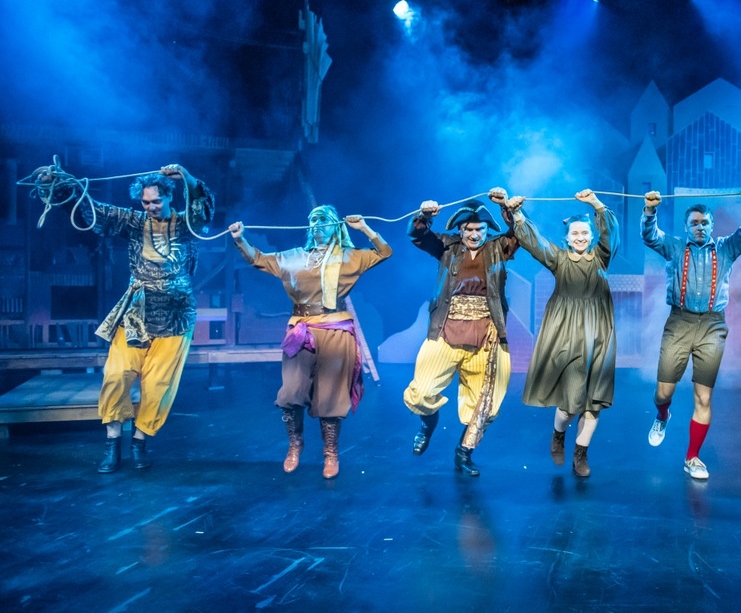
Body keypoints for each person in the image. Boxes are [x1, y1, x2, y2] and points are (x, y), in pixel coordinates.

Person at [32, 162, 215, 473]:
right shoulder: (133, 221)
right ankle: (112, 442)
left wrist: (187, 176)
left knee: (158, 384)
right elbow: (93, 211)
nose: (151, 207)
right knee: (117, 375)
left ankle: (139, 443)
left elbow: (203, 208)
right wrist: (59, 184)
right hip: (136, 312)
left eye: (156, 201)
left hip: (176, 315)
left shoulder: (187, 225)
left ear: (169, 196)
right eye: (146, 202)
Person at [228, 207, 391, 479]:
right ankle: (295, 445)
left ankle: (331, 453)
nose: (317, 224)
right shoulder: (294, 256)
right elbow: (258, 259)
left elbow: (384, 252)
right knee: (291, 392)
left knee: (331, 395)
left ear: (335, 225)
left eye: (323, 220)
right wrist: (239, 238)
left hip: (335, 329)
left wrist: (364, 228)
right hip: (301, 330)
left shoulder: (350, 257)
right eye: (313, 220)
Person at [643, 186, 741, 481]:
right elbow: (650, 236)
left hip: (712, 326)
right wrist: (650, 210)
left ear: (711, 225)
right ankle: (662, 415)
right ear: (686, 227)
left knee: (704, 398)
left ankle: (692, 457)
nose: (699, 227)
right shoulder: (674, 247)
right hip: (679, 322)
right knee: (663, 393)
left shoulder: (726, 248)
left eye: (704, 222)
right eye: (694, 223)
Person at [403, 189, 519, 476]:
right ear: (460, 229)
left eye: (480, 230)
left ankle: (464, 452)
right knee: (422, 392)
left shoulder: (498, 248)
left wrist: (507, 208)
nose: (474, 235)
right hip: (446, 329)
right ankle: (428, 423)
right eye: (469, 229)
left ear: (487, 230)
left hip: (486, 334)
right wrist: (424, 215)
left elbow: (521, 235)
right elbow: (418, 235)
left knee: (486, 402)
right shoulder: (447, 246)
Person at [506, 189, 617, 478]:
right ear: (567, 238)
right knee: (569, 405)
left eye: (585, 233)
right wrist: (517, 214)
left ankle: (581, 453)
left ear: (591, 236)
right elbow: (535, 243)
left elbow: (611, 233)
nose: (580, 237)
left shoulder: (601, 258)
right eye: (575, 233)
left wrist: (595, 203)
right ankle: (558, 434)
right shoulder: (559, 258)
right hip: (569, 334)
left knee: (594, 402)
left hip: (599, 334)